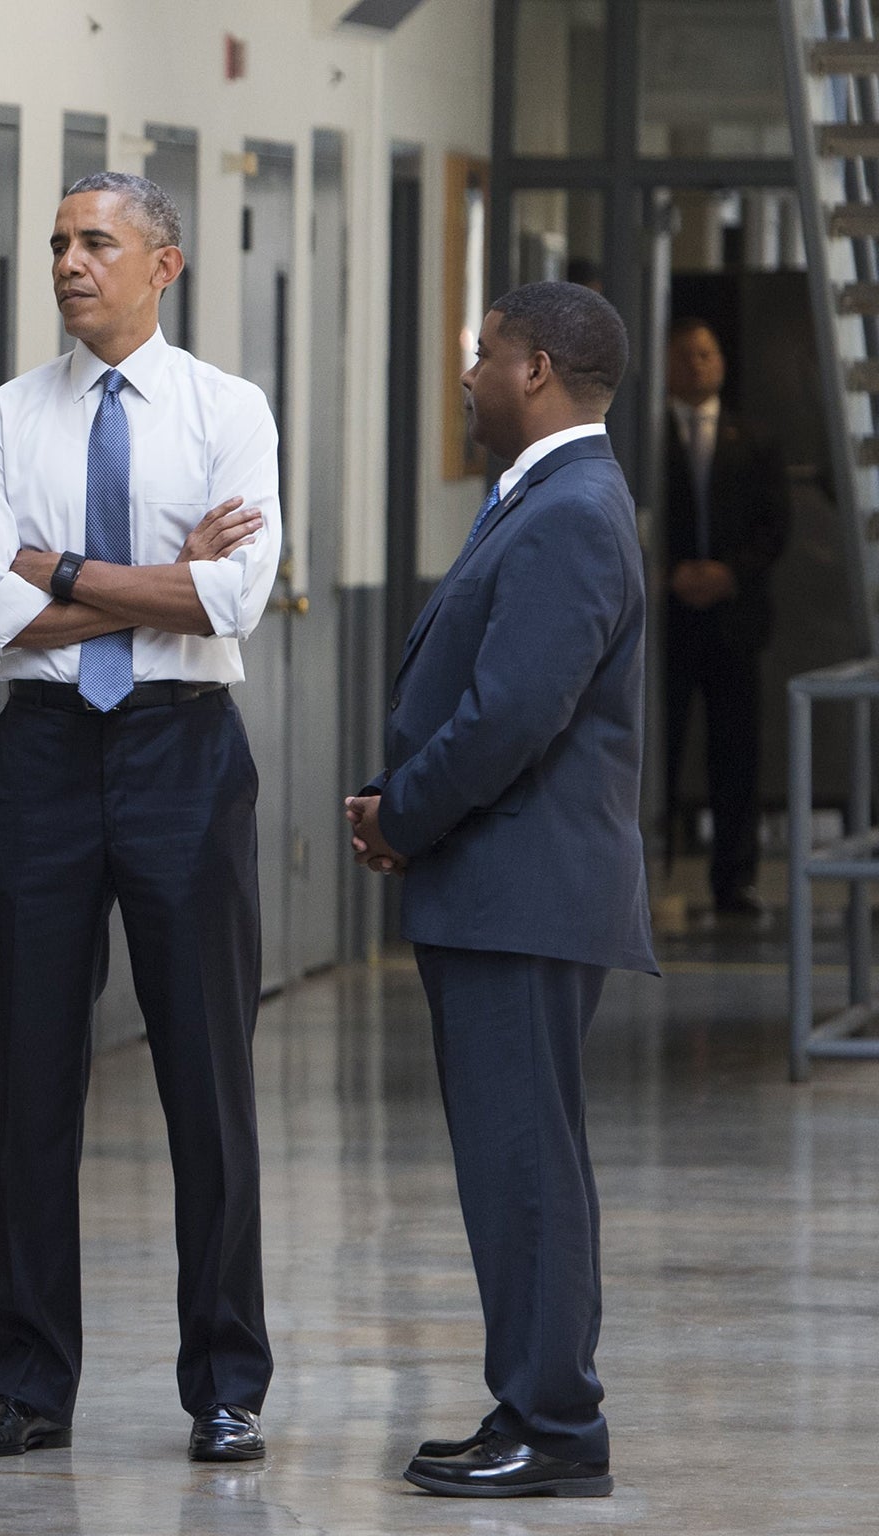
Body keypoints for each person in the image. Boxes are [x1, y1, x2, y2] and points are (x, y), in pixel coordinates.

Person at [0, 171, 281, 1464]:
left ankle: (225, 1385)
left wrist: (67, 574)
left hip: (181, 753)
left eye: (99, 244)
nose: (72, 263)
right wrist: (162, 578)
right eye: (60, 245)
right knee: (34, 1081)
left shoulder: (227, 413)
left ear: (164, 266)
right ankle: (28, 1383)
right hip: (39, 758)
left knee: (207, 1078)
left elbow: (231, 600)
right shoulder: (0, 423)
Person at [346, 281, 658, 1498]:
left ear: (532, 369)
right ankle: (525, 1403)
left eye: (480, 356)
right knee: (513, 1162)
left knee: (523, 1164)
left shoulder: (572, 508)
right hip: (500, 886)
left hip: (518, 890)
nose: (467, 376)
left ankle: (557, 1427)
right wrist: (403, 803)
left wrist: (405, 816)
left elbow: (510, 717)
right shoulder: (541, 496)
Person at [663, 318, 789, 915]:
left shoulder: (754, 438)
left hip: (734, 618)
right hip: (664, 619)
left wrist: (728, 574)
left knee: (736, 750)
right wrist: (667, 574)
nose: (697, 365)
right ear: (665, 363)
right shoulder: (642, 438)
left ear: (722, 363)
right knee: (654, 744)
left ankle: (734, 877)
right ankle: (646, 867)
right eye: (685, 355)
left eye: (707, 354)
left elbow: (775, 525)